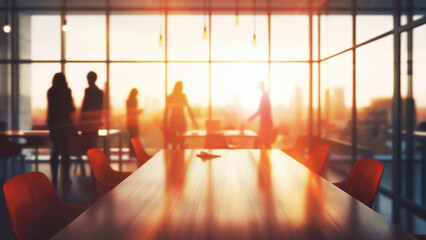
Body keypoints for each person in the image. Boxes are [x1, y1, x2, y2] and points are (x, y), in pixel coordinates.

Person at [47, 72, 76, 183]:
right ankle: (66, 177)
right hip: (65, 124)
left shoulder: (50, 91)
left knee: (55, 150)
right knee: (65, 151)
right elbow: (71, 108)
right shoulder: (67, 91)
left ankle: (54, 176)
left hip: (54, 124)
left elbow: (51, 109)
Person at [163, 81, 198, 149]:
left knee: (179, 141)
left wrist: (194, 122)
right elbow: (167, 110)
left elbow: (188, 108)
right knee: (177, 141)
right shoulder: (176, 96)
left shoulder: (178, 96)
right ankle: (177, 158)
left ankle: (178, 158)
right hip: (176, 120)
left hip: (178, 120)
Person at [80, 71, 104, 151]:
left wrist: (81, 120)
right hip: (95, 122)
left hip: (87, 123)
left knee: (87, 145)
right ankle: (94, 161)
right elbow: (100, 108)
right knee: (93, 144)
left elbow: (85, 108)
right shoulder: (100, 92)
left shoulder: (88, 91)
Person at [248, 81, 273, 149]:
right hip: (266, 123)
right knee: (265, 143)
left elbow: (261, 110)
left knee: (264, 143)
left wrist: (252, 117)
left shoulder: (264, 96)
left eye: (259, 86)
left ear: (261, 86)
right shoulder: (265, 95)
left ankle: (265, 158)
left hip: (266, 123)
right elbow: (262, 110)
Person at [126, 88, 144, 156]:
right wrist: (140, 111)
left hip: (130, 122)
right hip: (134, 122)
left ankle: (132, 153)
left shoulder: (128, 100)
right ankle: (134, 152)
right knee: (134, 137)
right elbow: (133, 112)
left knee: (132, 137)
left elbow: (129, 112)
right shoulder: (134, 100)